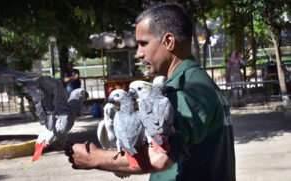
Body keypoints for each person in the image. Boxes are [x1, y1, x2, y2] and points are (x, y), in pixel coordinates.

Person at [65, 3, 235, 181]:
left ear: (168, 42)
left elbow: (160, 157)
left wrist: (94, 157)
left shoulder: (180, 89)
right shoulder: (200, 81)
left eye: (143, 44)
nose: (138, 53)